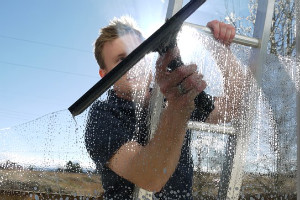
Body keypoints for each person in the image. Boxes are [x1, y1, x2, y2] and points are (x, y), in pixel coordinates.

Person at [85, 16, 244, 199]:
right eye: (121, 60)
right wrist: (178, 106)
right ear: (104, 75)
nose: (133, 65)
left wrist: (220, 47)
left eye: (138, 54)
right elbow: (151, 177)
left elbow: (233, 108)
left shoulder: (171, 94)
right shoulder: (103, 115)